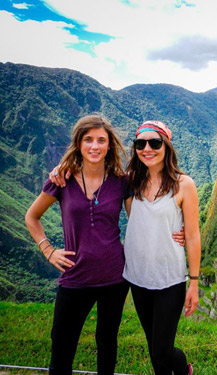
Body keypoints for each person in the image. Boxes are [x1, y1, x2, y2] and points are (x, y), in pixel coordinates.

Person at [25, 115, 130, 375]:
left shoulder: (120, 181)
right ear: (79, 144)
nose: (95, 146)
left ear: (109, 146)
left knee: (107, 346)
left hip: (114, 278)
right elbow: (32, 216)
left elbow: (142, 219)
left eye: (101, 140)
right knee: (61, 347)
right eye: (88, 140)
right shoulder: (62, 180)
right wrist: (48, 250)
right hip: (75, 276)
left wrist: (180, 231)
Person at [123, 120, 200, 375]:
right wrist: (61, 169)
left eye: (154, 143)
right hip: (138, 275)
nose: (147, 148)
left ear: (166, 146)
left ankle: (185, 371)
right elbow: (92, 171)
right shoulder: (130, 181)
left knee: (162, 349)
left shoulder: (183, 184)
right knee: (152, 346)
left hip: (169, 278)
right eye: (140, 143)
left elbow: (192, 235)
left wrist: (194, 282)